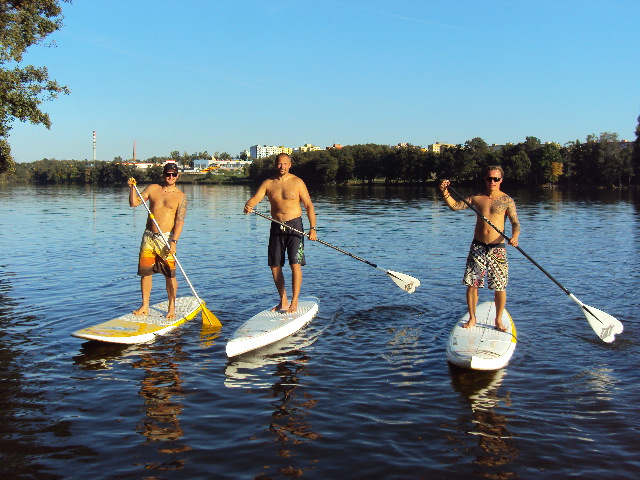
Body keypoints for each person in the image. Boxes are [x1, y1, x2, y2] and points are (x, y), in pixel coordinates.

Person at [440, 166, 520, 331]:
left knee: (500, 286)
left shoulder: (507, 200)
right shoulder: (477, 197)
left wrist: (515, 237)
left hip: (498, 248)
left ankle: (498, 320)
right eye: (489, 178)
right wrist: (445, 192)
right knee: (472, 284)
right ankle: (472, 318)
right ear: (485, 179)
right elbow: (455, 206)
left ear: (501, 180)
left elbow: (515, 223)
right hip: (478, 246)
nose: (492, 182)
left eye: (496, 179)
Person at [243, 153, 317, 313]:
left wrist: (312, 228)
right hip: (276, 226)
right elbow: (256, 198)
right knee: (275, 265)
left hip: (295, 225)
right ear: (275, 165)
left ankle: (294, 302)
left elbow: (308, 205)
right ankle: (283, 301)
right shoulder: (268, 183)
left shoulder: (297, 182)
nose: (282, 166)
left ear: (289, 165)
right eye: (279, 163)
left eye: (285, 164)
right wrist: (248, 205)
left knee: (295, 264)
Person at [127, 163, 187, 319]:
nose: (170, 177)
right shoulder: (153, 189)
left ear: (177, 176)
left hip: (166, 238)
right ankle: (145, 305)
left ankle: (171, 308)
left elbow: (180, 221)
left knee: (170, 275)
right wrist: (132, 188)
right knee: (145, 273)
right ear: (164, 174)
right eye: (168, 174)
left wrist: (174, 241)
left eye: (173, 174)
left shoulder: (180, 196)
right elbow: (134, 203)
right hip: (149, 236)